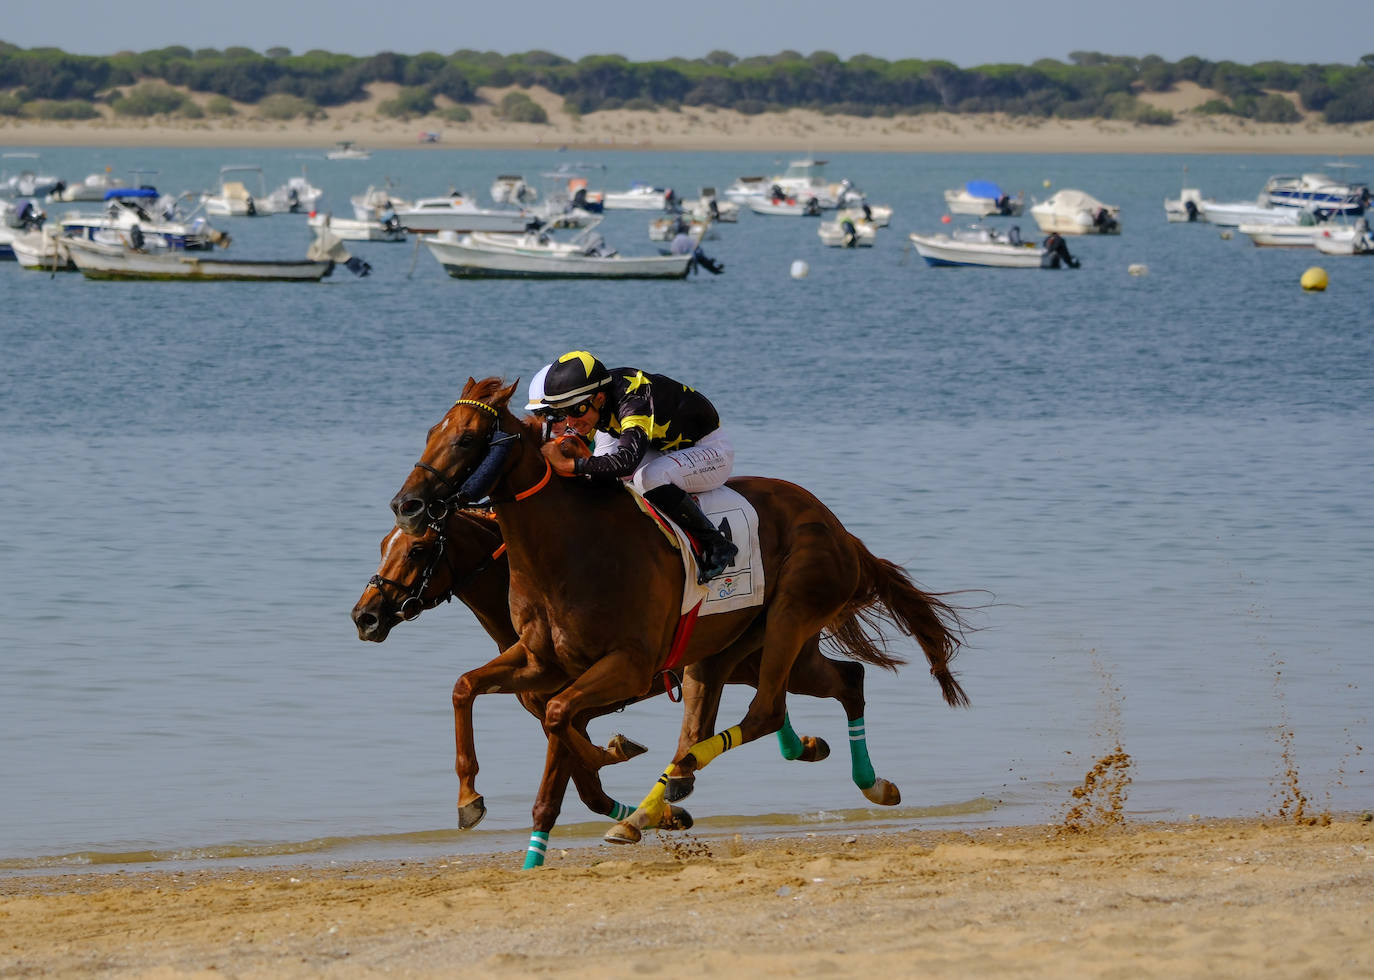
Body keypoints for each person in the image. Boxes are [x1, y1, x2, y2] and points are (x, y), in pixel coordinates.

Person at [527, 351, 738, 582]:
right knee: (605, 478)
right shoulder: (599, 405)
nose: (571, 422)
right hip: (664, 447)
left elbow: (626, 461)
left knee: (650, 478)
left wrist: (570, 464)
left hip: (710, 450)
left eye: (577, 410)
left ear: (599, 398)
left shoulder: (634, 399)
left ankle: (717, 544)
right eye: (562, 413)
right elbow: (605, 469)